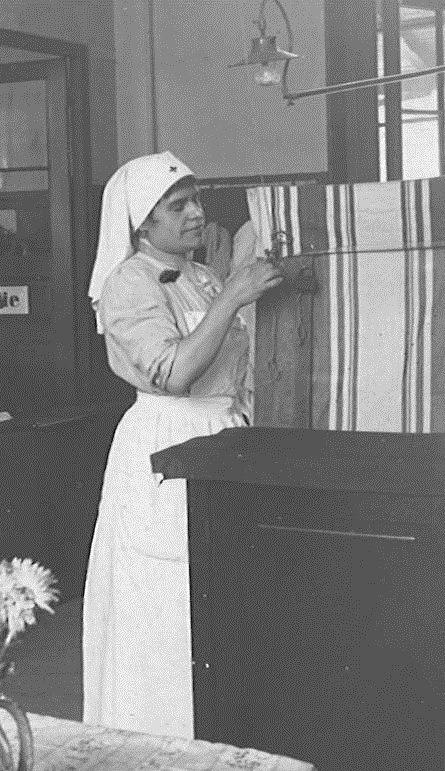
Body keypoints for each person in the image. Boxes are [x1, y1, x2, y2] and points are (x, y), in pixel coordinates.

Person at [82, 153, 283, 738]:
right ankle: (162, 734)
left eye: (196, 199)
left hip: (223, 437)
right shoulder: (128, 284)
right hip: (166, 446)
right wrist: (233, 295)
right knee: (167, 597)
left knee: (222, 589)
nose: (197, 213)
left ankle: (218, 728)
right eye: (178, 206)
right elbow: (171, 374)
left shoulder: (203, 277)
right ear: (143, 223)